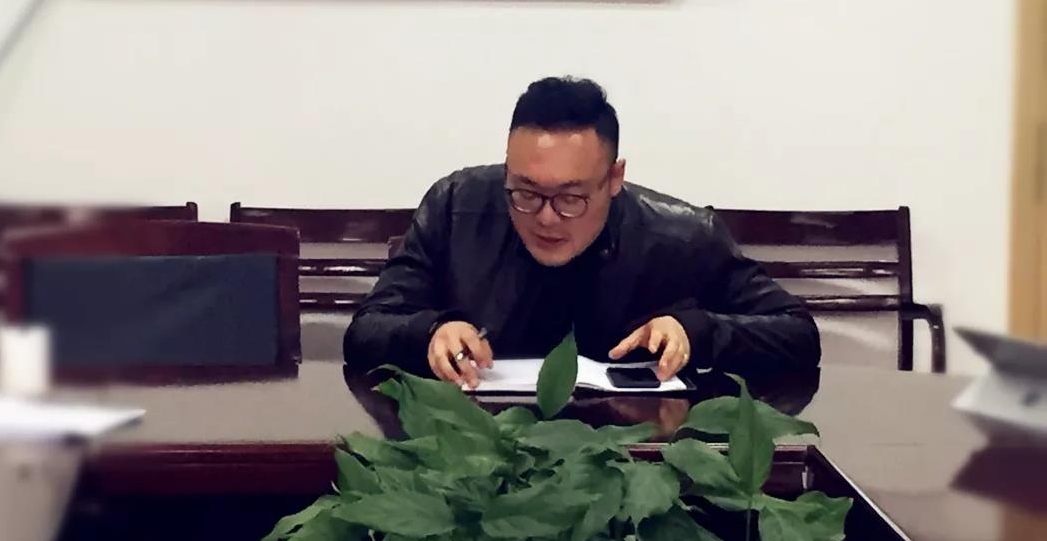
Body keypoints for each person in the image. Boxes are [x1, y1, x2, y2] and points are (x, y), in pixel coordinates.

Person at [343, 76, 820, 387]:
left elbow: (797, 334)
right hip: (474, 456)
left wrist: (696, 331)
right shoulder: (455, 208)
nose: (546, 218)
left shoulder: (682, 234)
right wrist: (430, 332)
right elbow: (366, 330)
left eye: (571, 198)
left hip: (633, 460)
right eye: (525, 193)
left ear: (614, 178)